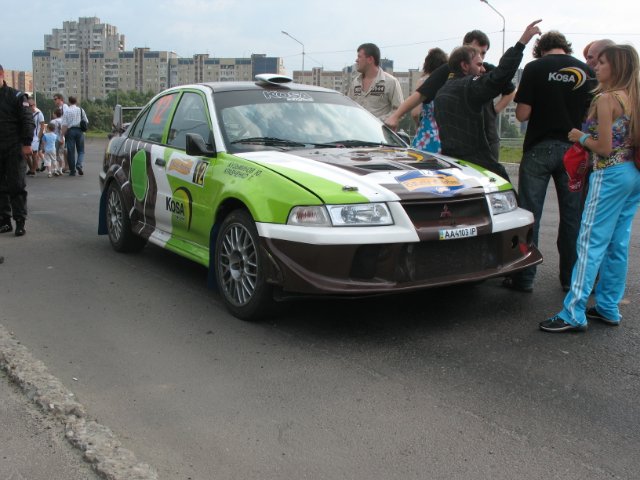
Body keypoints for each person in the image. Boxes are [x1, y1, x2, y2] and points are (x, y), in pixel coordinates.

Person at [540, 45, 640, 333]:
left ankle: (573, 311)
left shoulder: (608, 99)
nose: (596, 67)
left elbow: (604, 148)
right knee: (618, 243)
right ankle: (609, 306)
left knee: (589, 241)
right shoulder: (633, 97)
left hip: (609, 174)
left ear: (616, 68)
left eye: (603, 63)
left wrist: (581, 136)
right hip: (633, 173)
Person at [505, 31, 594, 293]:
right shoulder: (586, 70)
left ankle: (524, 279)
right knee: (572, 217)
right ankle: (569, 279)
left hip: (538, 150)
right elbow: (591, 117)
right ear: (565, 47)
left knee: (530, 216)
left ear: (540, 49)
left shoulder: (534, 68)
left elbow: (522, 115)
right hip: (575, 152)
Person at [431, 20, 542, 180]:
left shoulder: (443, 91)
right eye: (479, 64)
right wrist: (521, 43)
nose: (483, 69)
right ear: (464, 66)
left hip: (452, 163)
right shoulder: (468, 86)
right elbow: (500, 76)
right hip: (476, 166)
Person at [386, 30, 516, 162]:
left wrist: (494, 111)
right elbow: (421, 93)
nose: (481, 57)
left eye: (483, 53)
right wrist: (396, 116)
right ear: (465, 48)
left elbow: (510, 90)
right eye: (476, 51)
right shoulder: (448, 70)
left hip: (488, 137)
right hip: (461, 142)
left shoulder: (485, 69)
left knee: (490, 177)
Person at [0, 63, 34, 236]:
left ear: (1, 75)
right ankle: (4, 220)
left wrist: (27, 143)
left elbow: (27, 120)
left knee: (17, 185)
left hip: (14, 147)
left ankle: (20, 221)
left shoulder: (16, 96)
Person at [346, 43, 404, 121]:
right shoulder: (355, 83)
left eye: (359, 57)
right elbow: (348, 108)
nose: (356, 60)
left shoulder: (391, 82)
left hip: (378, 132)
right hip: (356, 131)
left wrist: (377, 122)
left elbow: (400, 111)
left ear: (370, 59)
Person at [411, 48, 448, 153]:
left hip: (426, 132)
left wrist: (418, 124)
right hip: (444, 134)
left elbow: (415, 112)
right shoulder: (448, 82)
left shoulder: (423, 81)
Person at [60, 95, 88, 176]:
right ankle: (79, 164)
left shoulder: (67, 111)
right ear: (76, 101)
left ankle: (72, 171)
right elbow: (86, 121)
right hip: (79, 131)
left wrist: (62, 135)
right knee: (81, 151)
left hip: (70, 131)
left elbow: (64, 125)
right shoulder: (81, 110)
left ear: (69, 102)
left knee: (70, 151)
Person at [27, 98, 45, 176]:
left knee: (34, 154)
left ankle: (33, 170)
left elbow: (42, 126)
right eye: (28, 105)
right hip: (27, 136)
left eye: (31, 105)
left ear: (34, 105)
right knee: (26, 154)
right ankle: (31, 168)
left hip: (35, 137)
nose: (30, 107)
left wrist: (38, 137)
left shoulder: (39, 114)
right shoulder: (26, 113)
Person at [53, 93, 69, 172]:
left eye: (55, 99)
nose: (54, 101)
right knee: (63, 149)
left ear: (60, 99)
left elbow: (66, 118)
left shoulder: (64, 107)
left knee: (65, 149)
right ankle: (65, 166)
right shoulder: (59, 108)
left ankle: (67, 166)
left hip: (64, 130)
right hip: (61, 130)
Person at [49, 108, 66, 174]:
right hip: (62, 139)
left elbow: (50, 130)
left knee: (54, 155)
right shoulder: (63, 121)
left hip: (54, 139)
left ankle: (55, 169)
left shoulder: (52, 122)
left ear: (55, 114)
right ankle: (60, 169)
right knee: (60, 154)